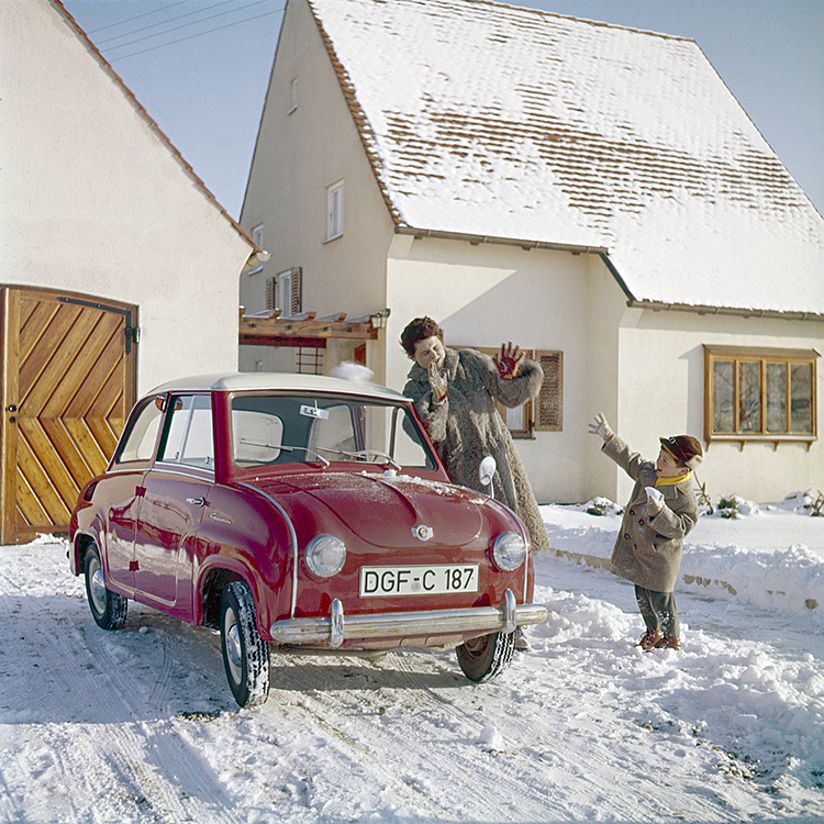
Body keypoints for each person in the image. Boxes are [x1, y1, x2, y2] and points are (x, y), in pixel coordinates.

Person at [400, 316, 548, 553]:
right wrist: (439, 402)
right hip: (454, 473)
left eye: (436, 347)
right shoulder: (415, 389)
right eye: (425, 353)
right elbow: (430, 435)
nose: (434, 356)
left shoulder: (470, 362)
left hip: (496, 461)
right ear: (413, 357)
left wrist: (510, 378)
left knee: (509, 538)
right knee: (466, 543)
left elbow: (509, 397)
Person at [588, 413, 702, 651]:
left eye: (666, 461)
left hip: (660, 556)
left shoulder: (685, 497)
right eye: (660, 456)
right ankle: (653, 631)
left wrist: (660, 511)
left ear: (682, 471)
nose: (659, 462)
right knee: (641, 594)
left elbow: (682, 527)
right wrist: (609, 437)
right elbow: (631, 460)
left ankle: (671, 637)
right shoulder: (650, 472)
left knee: (661, 599)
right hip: (639, 550)